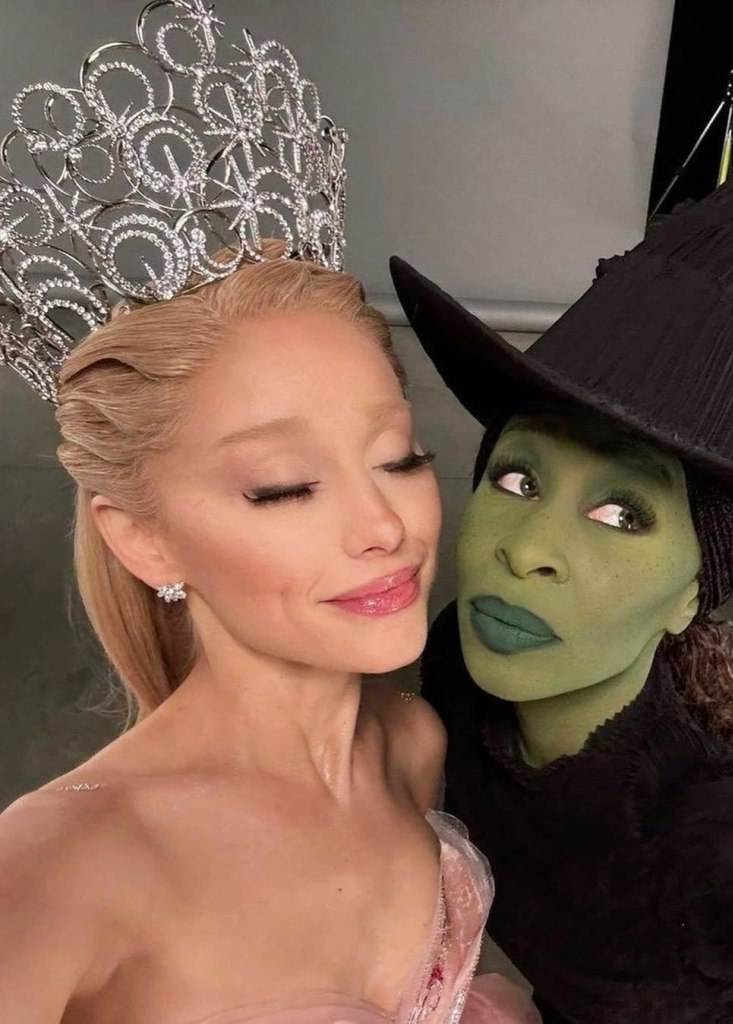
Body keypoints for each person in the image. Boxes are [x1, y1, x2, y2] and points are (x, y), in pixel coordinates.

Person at [0, 4, 540, 1023]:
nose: (383, 525)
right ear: (141, 537)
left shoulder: (409, 746)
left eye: (398, 456)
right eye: (285, 486)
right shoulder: (59, 870)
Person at [390, 107, 733, 1021]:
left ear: (691, 595)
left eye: (622, 514)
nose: (526, 550)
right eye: (517, 477)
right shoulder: (460, 679)